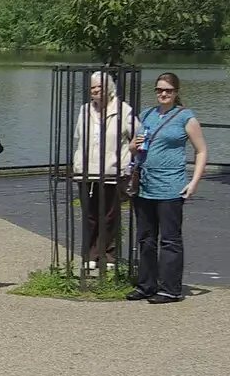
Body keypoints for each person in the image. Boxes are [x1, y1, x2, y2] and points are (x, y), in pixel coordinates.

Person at [127, 72, 209, 304]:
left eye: (168, 90)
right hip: (144, 185)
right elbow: (136, 148)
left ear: (176, 92)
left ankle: (170, 288)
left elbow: (201, 151)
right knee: (146, 238)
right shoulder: (147, 114)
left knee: (170, 240)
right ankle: (146, 284)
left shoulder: (185, 117)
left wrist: (193, 182)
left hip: (171, 187)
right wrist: (133, 145)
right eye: (159, 90)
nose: (163, 94)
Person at [73, 71, 137, 276]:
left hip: (112, 170)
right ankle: (90, 255)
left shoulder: (123, 110)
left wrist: (128, 156)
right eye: (92, 87)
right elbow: (78, 137)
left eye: (99, 86)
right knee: (89, 213)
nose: (95, 90)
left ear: (109, 87)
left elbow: (138, 134)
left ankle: (108, 255)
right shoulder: (85, 110)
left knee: (109, 213)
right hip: (86, 169)